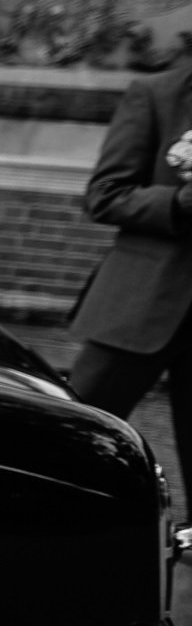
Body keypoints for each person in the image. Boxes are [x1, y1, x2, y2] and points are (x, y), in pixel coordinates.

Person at [67, 59, 192, 507]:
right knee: (75, 438)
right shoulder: (157, 93)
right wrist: (179, 201)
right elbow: (105, 194)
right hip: (144, 305)